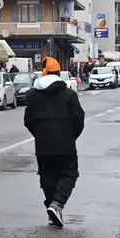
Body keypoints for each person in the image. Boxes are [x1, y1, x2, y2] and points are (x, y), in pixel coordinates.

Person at [24, 56, 86, 228]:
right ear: (58, 73)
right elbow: (79, 118)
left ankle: (52, 208)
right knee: (69, 174)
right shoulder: (69, 94)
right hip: (65, 145)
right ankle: (56, 204)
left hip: (43, 146)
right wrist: (70, 136)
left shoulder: (33, 96)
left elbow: (28, 120)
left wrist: (40, 135)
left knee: (47, 177)